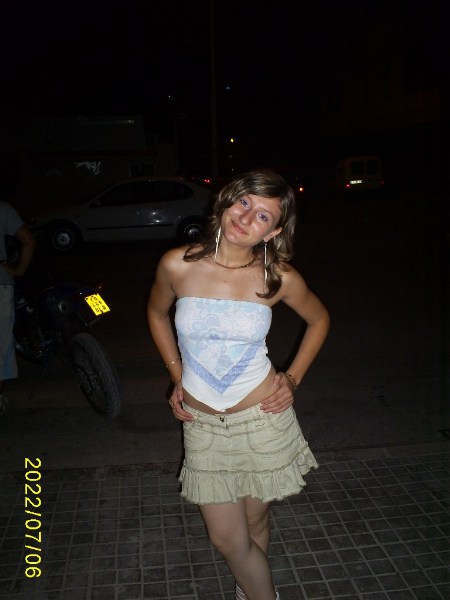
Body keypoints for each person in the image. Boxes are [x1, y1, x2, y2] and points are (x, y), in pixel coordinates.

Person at [147, 169, 330, 600]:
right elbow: (156, 314)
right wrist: (177, 375)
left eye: (263, 215)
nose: (247, 218)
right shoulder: (177, 264)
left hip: (263, 419)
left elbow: (319, 319)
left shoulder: (278, 276)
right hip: (203, 424)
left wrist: (292, 378)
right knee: (227, 539)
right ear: (227, 202)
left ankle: (248, 591)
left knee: (255, 522)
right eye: (244, 202)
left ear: (274, 232)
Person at [0, 201, 36, 414]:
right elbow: (29, 241)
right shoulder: (3, 209)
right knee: (1, 346)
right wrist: (19, 271)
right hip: (1, 284)